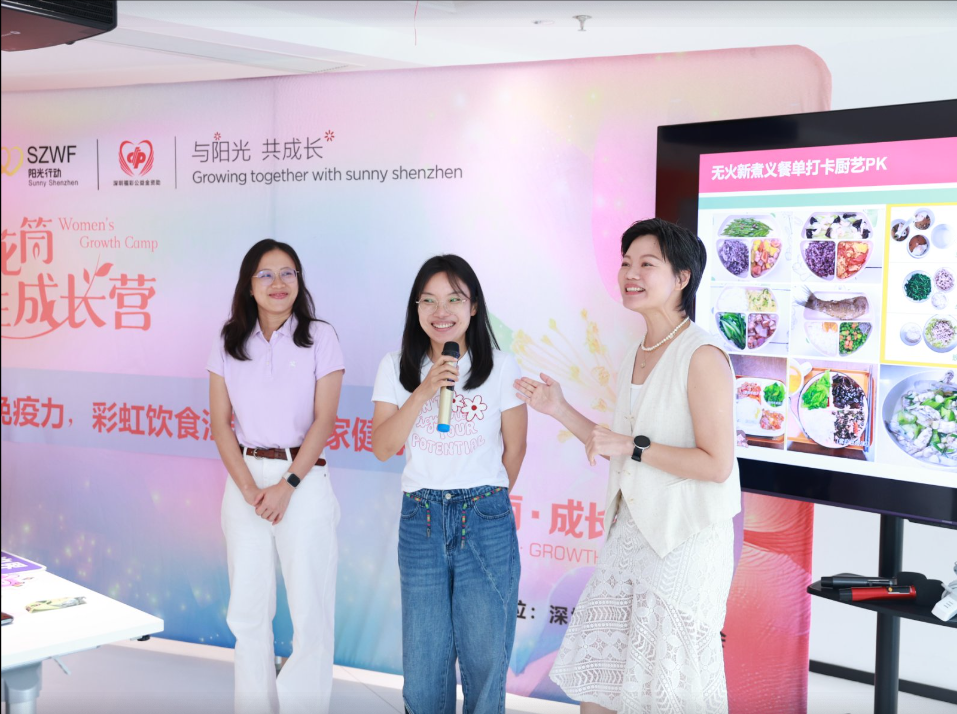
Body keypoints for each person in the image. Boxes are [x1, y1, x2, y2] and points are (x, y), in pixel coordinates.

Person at [515, 218, 741, 714]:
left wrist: (633, 446)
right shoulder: (638, 353)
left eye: (646, 264)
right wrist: (559, 409)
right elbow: (617, 445)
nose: (629, 274)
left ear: (682, 277)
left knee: (664, 687)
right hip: (630, 536)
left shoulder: (702, 353)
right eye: (625, 262)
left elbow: (717, 464)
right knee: (604, 684)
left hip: (683, 541)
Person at [371, 254, 528, 714]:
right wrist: (424, 389)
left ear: (473, 306)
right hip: (420, 519)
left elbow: (515, 449)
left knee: (485, 661)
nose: (441, 311)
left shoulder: (501, 366)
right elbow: (383, 446)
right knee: (424, 669)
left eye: (454, 299)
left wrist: (486, 501)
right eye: (429, 301)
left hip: (484, 515)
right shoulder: (395, 366)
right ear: (416, 308)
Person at [208, 239, 344, 714]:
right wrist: (249, 489)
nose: (278, 283)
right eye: (265, 274)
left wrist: (287, 486)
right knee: (247, 612)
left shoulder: (320, 337)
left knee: (310, 612)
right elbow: (219, 424)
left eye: (288, 273)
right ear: (249, 285)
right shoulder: (229, 340)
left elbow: (325, 420)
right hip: (244, 481)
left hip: (302, 480)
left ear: (299, 282)